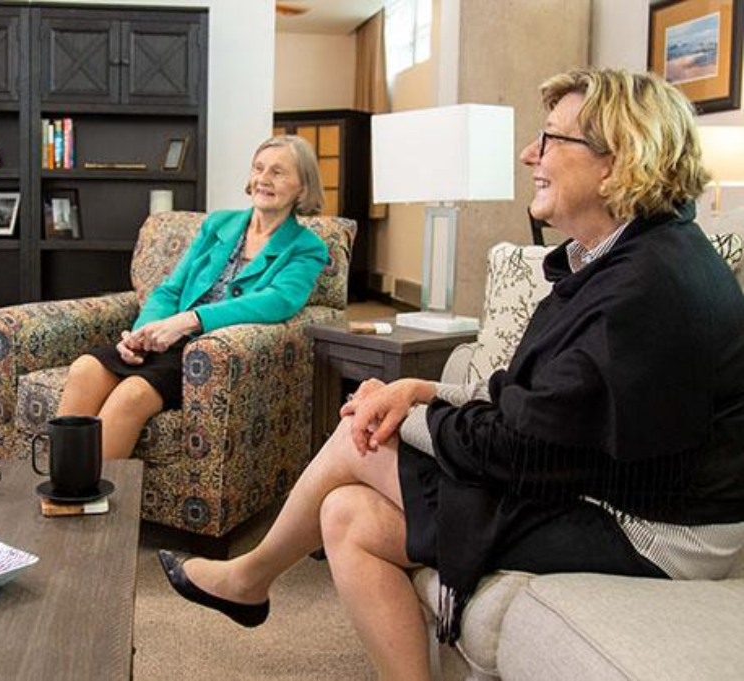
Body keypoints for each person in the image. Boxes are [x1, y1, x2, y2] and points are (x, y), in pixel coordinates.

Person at [158, 68, 744, 678]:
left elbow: (524, 446)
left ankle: (248, 579)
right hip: (597, 480)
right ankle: (256, 586)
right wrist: (424, 389)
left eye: (550, 139)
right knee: (346, 513)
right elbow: (538, 399)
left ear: (616, 161)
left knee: (360, 437)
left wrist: (407, 413)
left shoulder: (644, 289)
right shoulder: (621, 261)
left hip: (648, 528)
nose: (529, 154)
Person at [56, 135, 329, 460]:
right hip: (165, 339)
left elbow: (279, 301)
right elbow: (171, 288)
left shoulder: (307, 247)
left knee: (131, 394)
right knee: (84, 369)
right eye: (258, 168)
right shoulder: (218, 225)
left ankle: (93, 490)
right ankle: (58, 484)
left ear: (302, 187)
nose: (264, 179)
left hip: (206, 356)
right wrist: (143, 334)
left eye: (278, 172)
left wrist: (190, 321)